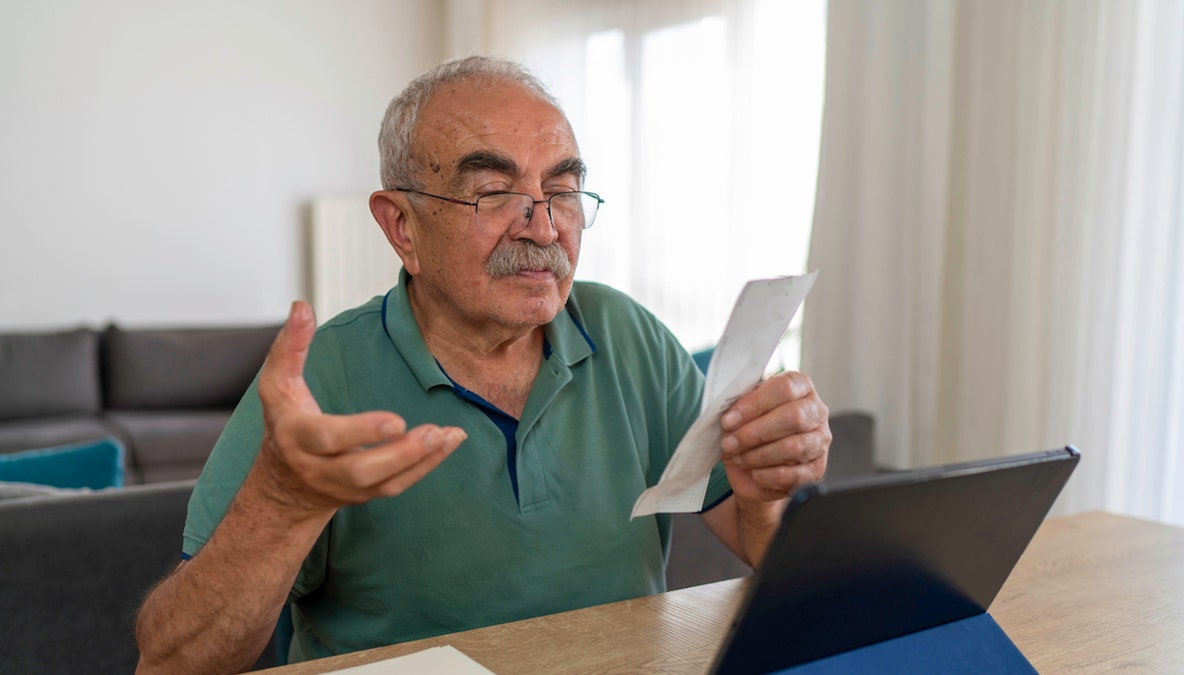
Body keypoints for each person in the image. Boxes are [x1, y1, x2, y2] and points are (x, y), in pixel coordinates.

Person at [134, 55, 830, 672]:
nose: (544, 224)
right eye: (494, 192)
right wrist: (283, 502)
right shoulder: (322, 376)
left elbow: (760, 543)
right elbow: (172, 662)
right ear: (402, 227)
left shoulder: (627, 332)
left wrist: (769, 486)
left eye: (561, 190)